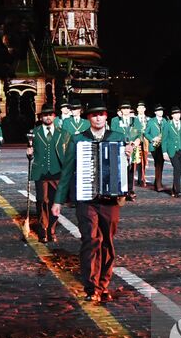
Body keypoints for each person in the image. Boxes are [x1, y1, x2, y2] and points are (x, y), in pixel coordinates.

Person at [54, 104, 131, 303]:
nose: (98, 118)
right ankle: (91, 287)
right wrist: (58, 201)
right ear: (89, 118)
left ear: (106, 117)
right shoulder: (79, 139)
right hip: (86, 200)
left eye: (101, 115)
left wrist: (129, 157)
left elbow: (125, 169)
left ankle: (103, 284)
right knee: (90, 240)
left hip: (110, 200)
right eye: (94, 115)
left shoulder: (118, 137)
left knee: (107, 242)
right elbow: (67, 171)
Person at [27, 105, 63, 242]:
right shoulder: (34, 133)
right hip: (41, 172)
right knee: (42, 201)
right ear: (41, 117)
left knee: (56, 202)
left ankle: (52, 229)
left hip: (57, 172)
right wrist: (29, 154)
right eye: (45, 115)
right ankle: (43, 230)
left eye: (50, 114)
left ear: (54, 116)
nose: (48, 117)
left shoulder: (62, 133)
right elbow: (30, 150)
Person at [160, 108, 181, 197]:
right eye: (176, 114)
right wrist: (164, 152)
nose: (178, 115)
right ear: (172, 115)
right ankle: (177, 190)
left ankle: (174, 189)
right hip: (172, 151)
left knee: (179, 170)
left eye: (179, 113)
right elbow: (164, 139)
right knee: (176, 168)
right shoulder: (167, 125)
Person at [114, 102, 140, 201]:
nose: (125, 110)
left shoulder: (135, 120)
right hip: (120, 147)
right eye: (123, 109)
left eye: (127, 108)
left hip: (132, 147)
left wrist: (133, 144)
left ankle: (130, 191)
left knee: (131, 170)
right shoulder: (115, 120)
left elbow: (139, 134)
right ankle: (120, 190)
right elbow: (114, 133)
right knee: (120, 169)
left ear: (130, 110)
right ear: (121, 110)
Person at [146, 105, 167, 191]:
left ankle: (157, 182)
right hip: (154, 146)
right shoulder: (151, 121)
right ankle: (158, 184)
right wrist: (152, 139)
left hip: (163, 146)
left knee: (160, 164)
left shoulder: (165, 121)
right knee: (158, 163)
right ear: (155, 112)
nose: (161, 112)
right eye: (158, 111)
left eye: (161, 110)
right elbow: (146, 133)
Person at [133, 102, 151, 187]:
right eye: (139, 108)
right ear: (137, 109)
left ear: (144, 109)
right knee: (135, 160)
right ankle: (133, 179)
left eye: (142, 108)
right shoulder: (133, 119)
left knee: (144, 161)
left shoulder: (148, 119)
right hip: (136, 141)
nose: (140, 110)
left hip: (145, 142)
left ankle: (142, 178)